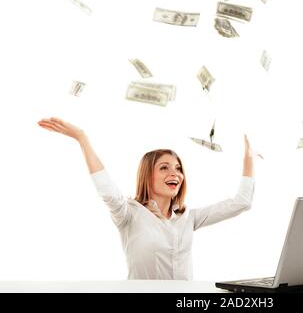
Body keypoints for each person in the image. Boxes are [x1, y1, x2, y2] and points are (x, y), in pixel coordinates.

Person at [37, 117, 255, 280]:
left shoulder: (189, 217)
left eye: (178, 169)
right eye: (164, 168)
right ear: (147, 176)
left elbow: (242, 202)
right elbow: (106, 189)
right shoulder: (129, 214)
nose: (175, 174)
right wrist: (82, 139)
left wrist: (249, 156)